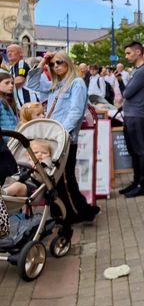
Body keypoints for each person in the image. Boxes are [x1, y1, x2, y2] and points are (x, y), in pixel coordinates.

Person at [26, 51, 100, 223]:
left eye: (59, 62)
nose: (55, 66)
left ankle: (77, 212)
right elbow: (33, 82)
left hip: (64, 138)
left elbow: (75, 112)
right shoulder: (56, 84)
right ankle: (66, 212)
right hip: (53, 138)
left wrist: (62, 134)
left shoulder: (77, 83)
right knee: (56, 178)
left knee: (65, 178)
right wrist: (43, 61)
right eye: (53, 64)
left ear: (68, 62)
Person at [120, 42, 144, 198]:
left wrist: (125, 89)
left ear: (138, 52)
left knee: (140, 150)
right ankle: (136, 182)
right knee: (133, 150)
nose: (126, 56)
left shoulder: (143, 71)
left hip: (137, 115)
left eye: (128, 53)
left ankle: (142, 184)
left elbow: (127, 93)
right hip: (131, 114)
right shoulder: (137, 70)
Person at [5, 44, 32, 108]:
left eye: (12, 51)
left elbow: (19, 80)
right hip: (20, 104)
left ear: (20, 54)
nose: (9, 53)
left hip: (26, 102)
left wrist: (4, 86)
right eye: (7, 52)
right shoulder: (12, 68)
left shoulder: (21, 64)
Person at [0, 73, 18, 138]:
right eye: (7, 83)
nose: (11, 85)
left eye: (12, 83)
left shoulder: (8, 101)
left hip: (12, 140)